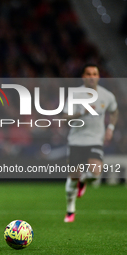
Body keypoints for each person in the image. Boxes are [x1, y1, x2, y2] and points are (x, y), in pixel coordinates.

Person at [63, 64, 118, 223]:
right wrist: (81, 113)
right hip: (76, 141)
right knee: (73, 177)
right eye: (88, 73)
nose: (92, 76)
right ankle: (70, 209)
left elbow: (114, 111)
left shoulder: (106, 96)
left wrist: (111, 128)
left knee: (95, 174)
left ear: (98, 77)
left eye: (95, 73)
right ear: (83, 77)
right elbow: (65, 118)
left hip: (95, 139)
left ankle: (84, 180)